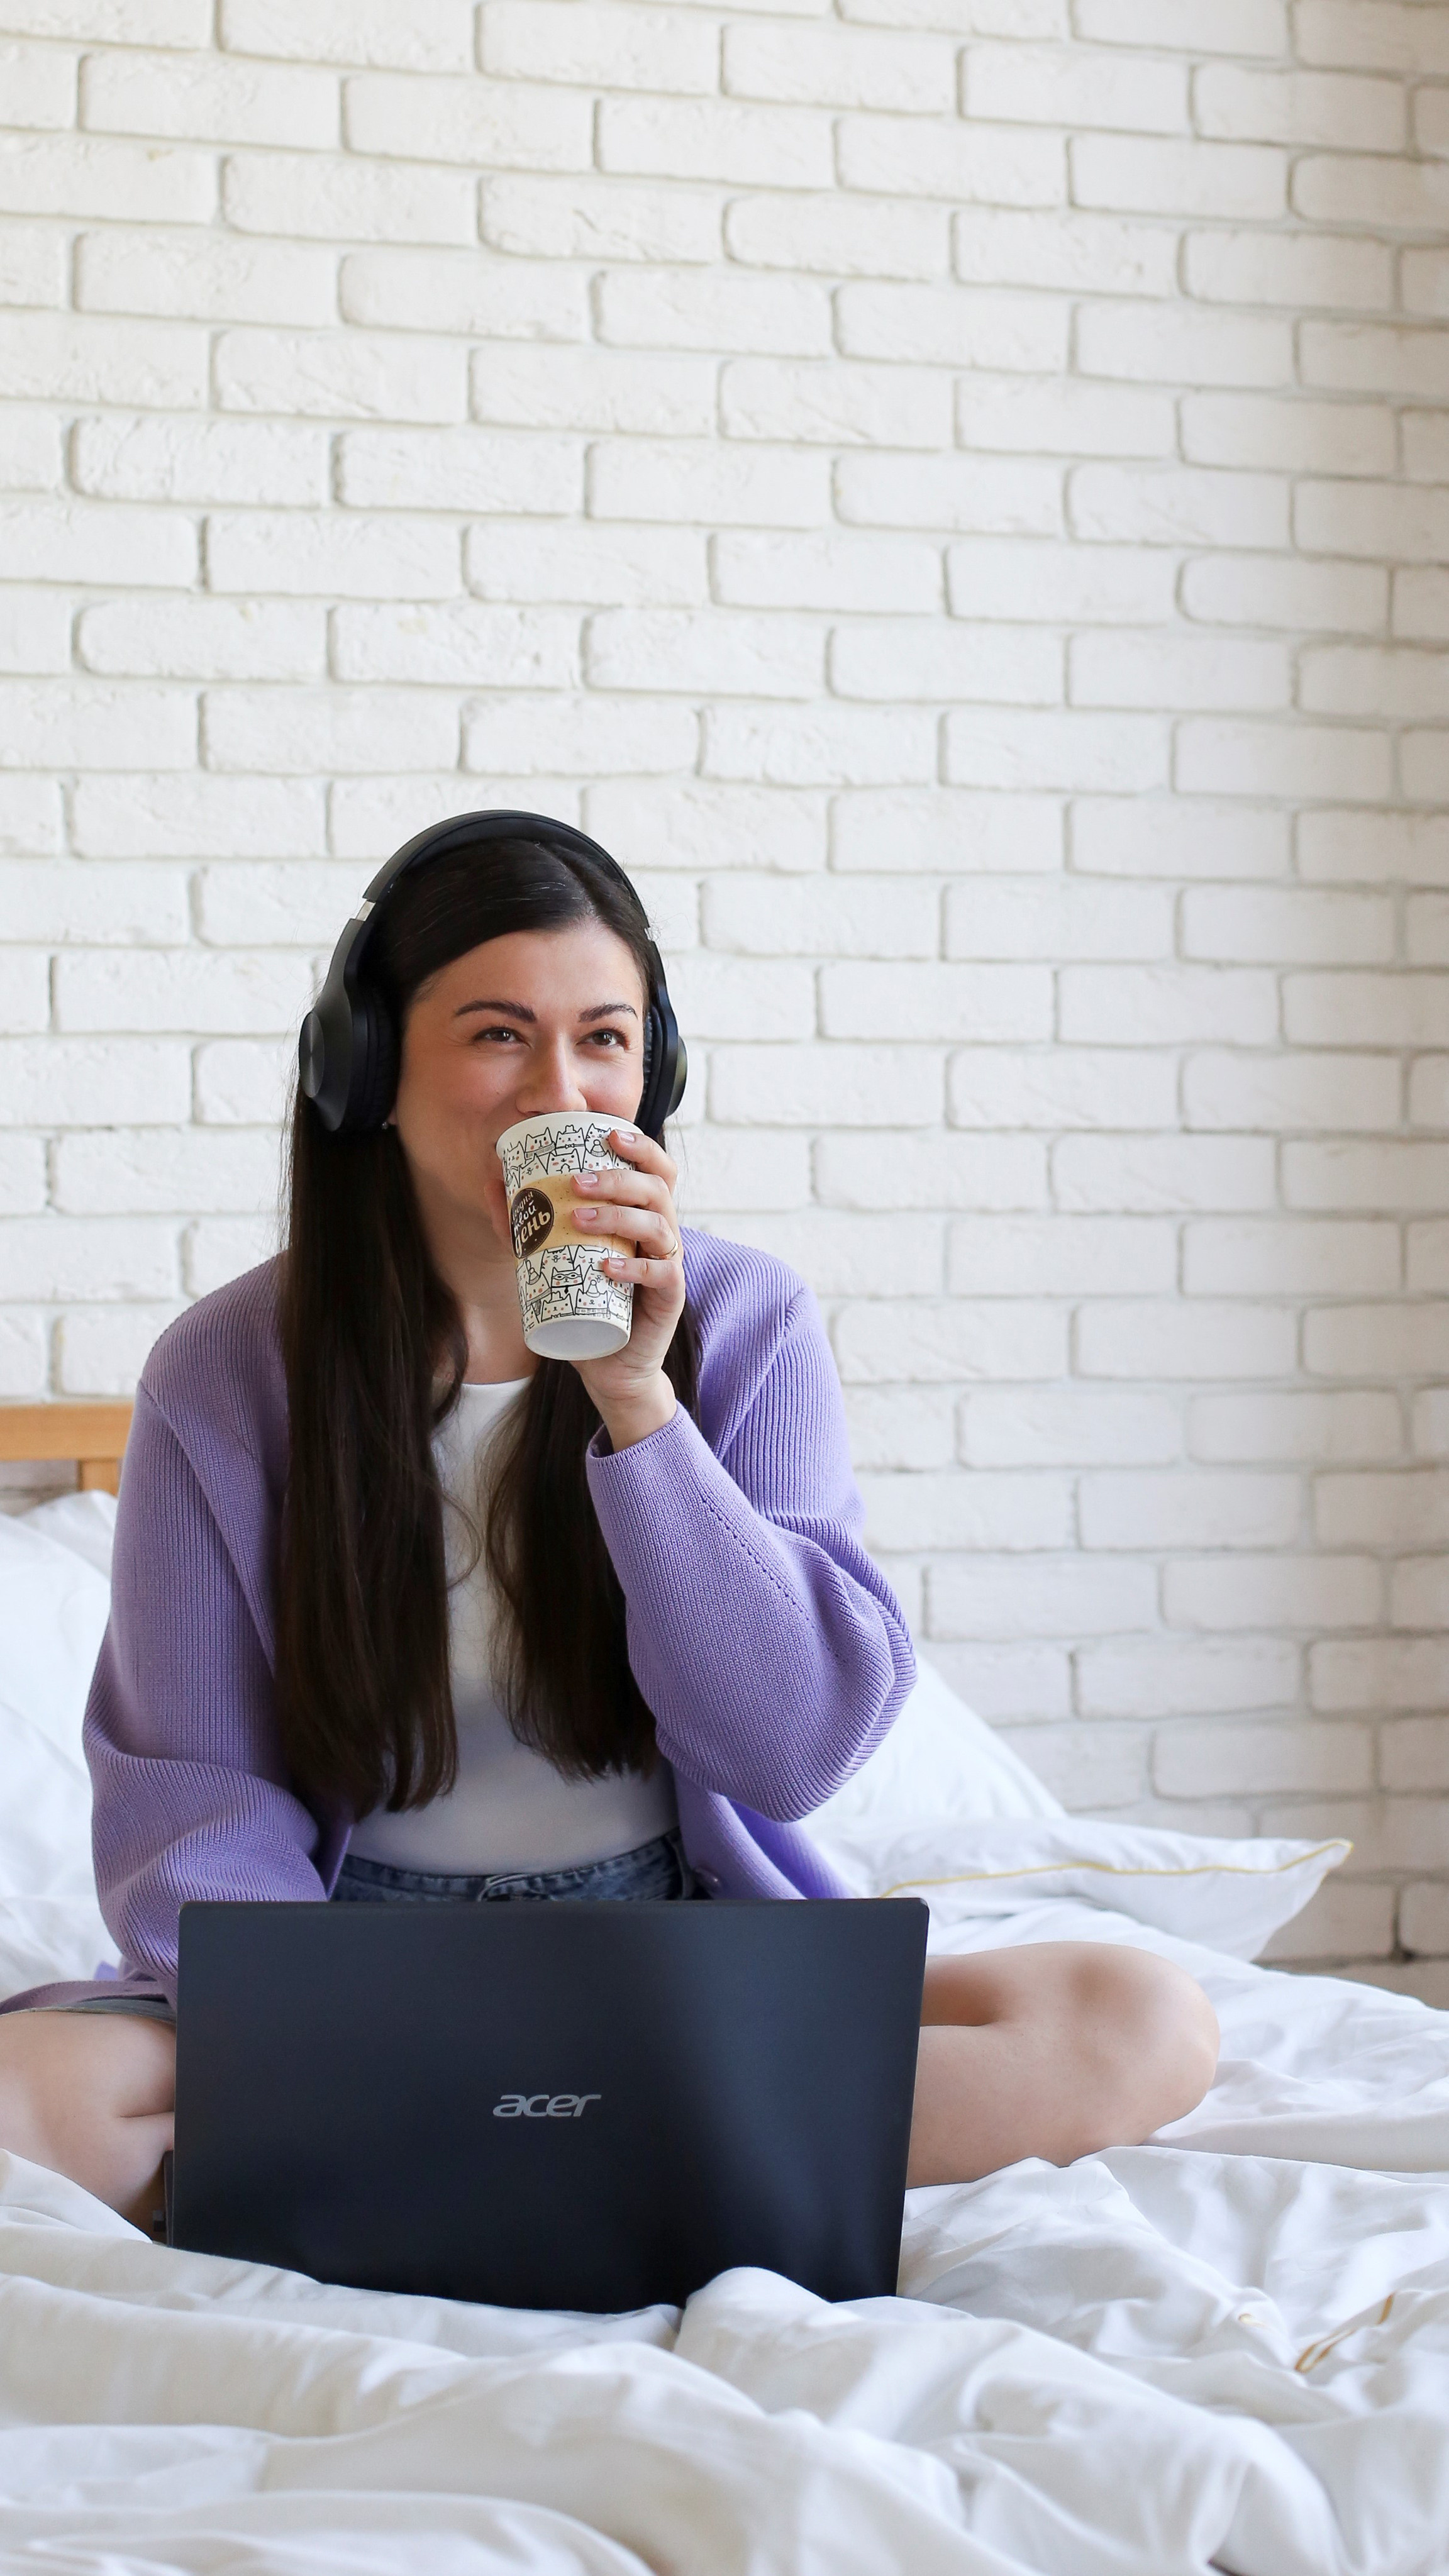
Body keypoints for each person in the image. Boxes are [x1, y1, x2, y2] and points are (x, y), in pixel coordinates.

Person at [0, 815, 1218, 2233]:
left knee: (1142, 2018)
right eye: (500, 1034)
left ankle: (440, 2162)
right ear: (370, 1062)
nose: (562, 1089)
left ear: (656, 1071)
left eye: (606, 1041)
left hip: (675, 1957)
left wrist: (639, 1399)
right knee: (24, 2092)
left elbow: (792, 1743)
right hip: (354, 1962)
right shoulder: (228, 1369)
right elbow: (196, 1793)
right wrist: (322, 2028)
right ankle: (620, 2150)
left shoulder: (745, 1322)